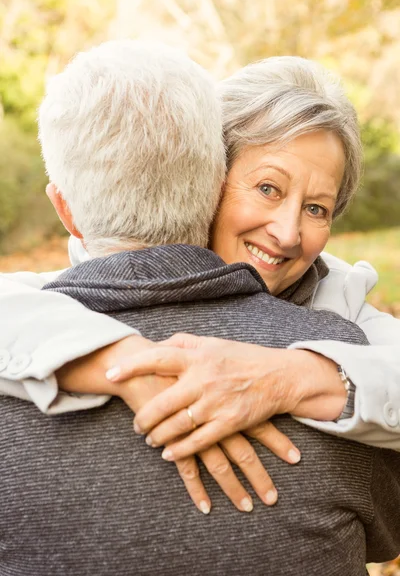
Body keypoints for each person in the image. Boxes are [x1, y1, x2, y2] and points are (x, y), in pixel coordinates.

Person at [1, 38, 399, 576]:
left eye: (316, 208)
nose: (287, 233)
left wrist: (295, 374)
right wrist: (120, 360)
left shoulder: (342, 311)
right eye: (266, 187)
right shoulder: (64, 300)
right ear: (210, 176)